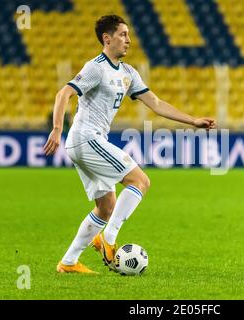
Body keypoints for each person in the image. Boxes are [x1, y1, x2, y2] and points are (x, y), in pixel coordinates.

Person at [43, 15, 216, 273]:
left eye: (128, 34)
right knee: (140, 181)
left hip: (89, 141)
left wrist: (193, 121)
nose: (128, 39)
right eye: (123, 34)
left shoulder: (128, 73)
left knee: (106, 207)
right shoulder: (96, 67)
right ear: (107, 38)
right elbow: (63, 93)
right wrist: (57, 129)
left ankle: (68, 262)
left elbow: (156, 104)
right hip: (85, 137)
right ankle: (108, 240)